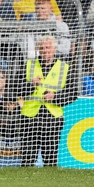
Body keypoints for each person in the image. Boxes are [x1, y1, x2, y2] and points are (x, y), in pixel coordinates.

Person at [19, 34, 78, 167]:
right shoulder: (29, 65)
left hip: (52, 117)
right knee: (27, 160)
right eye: (43, 47)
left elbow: (73, 93)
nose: (45, 50)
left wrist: (55, 97)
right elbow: (16, 89)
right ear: (38, 49)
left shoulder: (64, 67)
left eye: (48, 47)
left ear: (54, 49)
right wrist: (31, 84)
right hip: (30, 117)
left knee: (50, 160)